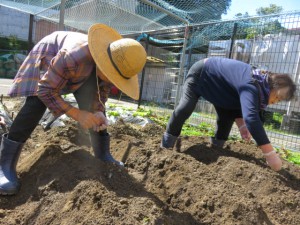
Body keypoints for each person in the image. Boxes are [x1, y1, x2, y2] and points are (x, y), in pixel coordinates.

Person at [0, 23, 147, 195]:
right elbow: (45, 90)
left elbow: (102, 92)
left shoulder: (115, 64)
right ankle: (5, 165)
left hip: (82, 67)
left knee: (93, 108)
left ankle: (102, 153)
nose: (114, 82)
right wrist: (76, 114)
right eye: (113, 77)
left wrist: (98, 110)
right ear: (104, 63)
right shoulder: (73, 56)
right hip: (50, 56)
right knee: (36, 104)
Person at [161, 57, 296, 172]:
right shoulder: (253, 84)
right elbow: (251, 118)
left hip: (222, 88)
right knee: (185, 107)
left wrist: (242, 127)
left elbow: (236, 102)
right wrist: (270, 154)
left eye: (279, 101)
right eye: (277, 97)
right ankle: (166, 145)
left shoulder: (260, 85)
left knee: (225, 119)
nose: (274, 102)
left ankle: (214, 150)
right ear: (272, 86)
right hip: (202, 73)